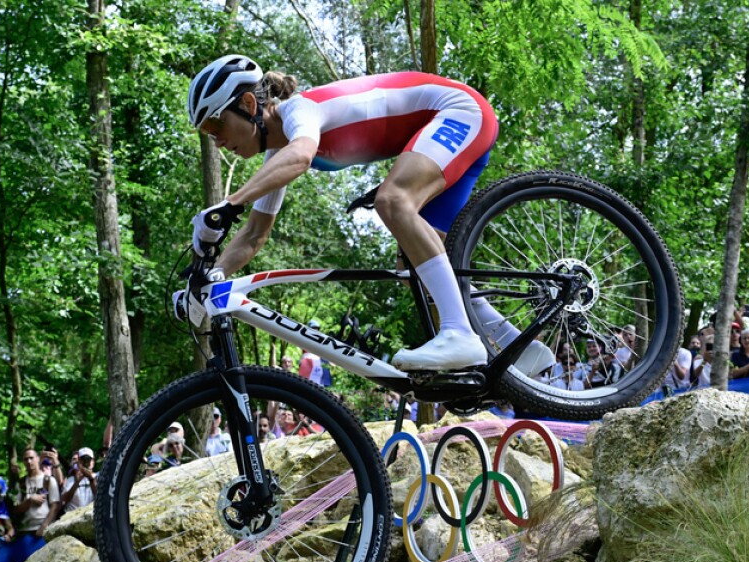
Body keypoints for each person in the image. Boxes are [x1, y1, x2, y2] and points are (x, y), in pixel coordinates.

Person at [187, 56, 524, 372]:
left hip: (459, 111)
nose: (216, 141)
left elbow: (301, 156)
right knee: (414, 265)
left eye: (216, 125)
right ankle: (519, 350)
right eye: (206, 133)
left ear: (249, 104)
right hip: (452, 125)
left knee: (393, 200)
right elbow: (254, 234)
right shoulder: (278, 152)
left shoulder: (299, 111)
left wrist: (229, 204)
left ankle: (460, 333)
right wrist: (207, 279)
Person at [11, 448, 60, 539]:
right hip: (25, 529)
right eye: (26, 459)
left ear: (38, 459)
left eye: (31, 458)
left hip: (45, 528)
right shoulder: (20, 483)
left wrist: (44, 525)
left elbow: (55, 506)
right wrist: (30, 500)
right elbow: (16, 509)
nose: (29, 461)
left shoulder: (49, 480)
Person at [61, 448, 98, 512]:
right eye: (83, 459)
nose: (86, 462)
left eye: (88, 459)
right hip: (73, 515)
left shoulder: (99, 476)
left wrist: (91, 478)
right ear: (79, 462)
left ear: (93, 462)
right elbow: (65, 500)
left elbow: (100, 496)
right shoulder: (70, 479)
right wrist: (76, 482)